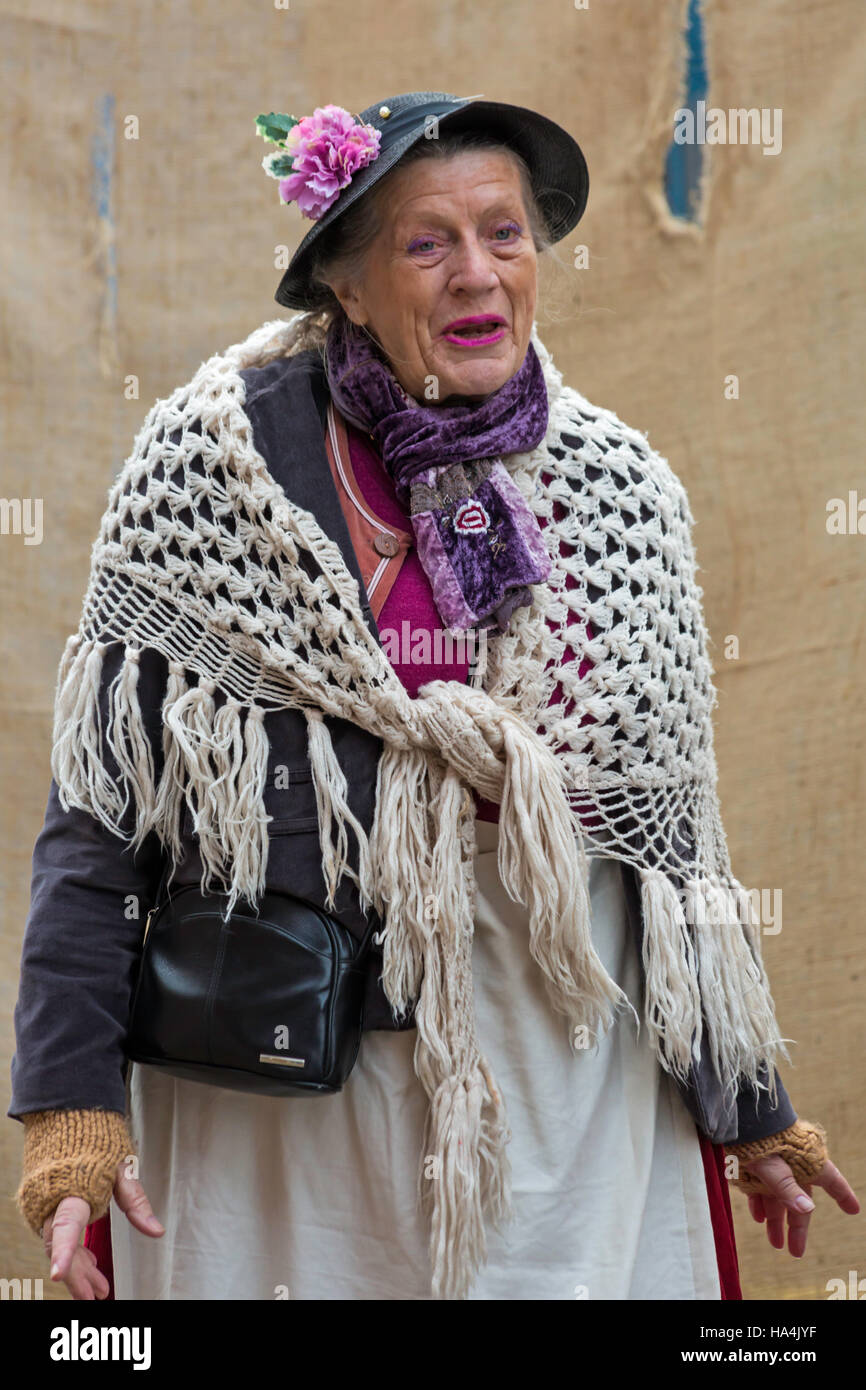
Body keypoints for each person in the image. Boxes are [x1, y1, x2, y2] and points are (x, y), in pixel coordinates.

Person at [10, 90, 858, 1301]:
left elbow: (671, 867)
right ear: (345, 285)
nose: (477, 273)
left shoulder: (618, 494)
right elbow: (96, 825)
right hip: (277, 1100)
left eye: (504, 234)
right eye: (427, 242)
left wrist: (749, 1108)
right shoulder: (209, 473)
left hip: (554, 1089)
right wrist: (70, 1120)